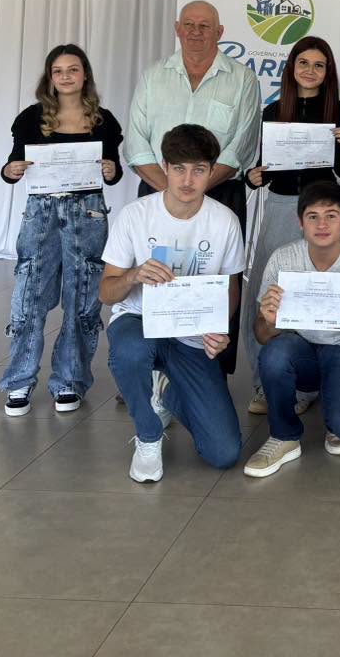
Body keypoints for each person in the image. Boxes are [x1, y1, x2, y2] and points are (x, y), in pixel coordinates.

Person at [100, 124, 245, 483]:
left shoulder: (225, 221)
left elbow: (230, 287)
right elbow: (106, 293)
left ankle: (165, 391)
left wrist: (218, 328)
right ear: (164, 167)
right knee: (130, 351)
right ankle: (148, 435)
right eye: (179, 168)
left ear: (212, 171)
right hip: (139, 319)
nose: (187, 180)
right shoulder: (135, 215)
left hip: (191, 331)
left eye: (198, 169)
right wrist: (134, 276)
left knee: (224, 453)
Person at [125, 0, 262, 375]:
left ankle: (210, 368)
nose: (196, 32)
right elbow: (136, 144)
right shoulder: (154, 76)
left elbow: (239, 148)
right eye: (189, 24)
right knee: (156, 277)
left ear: (220, 32)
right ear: (177, 28)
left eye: (205, 25)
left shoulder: (243, 80)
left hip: (221, 192)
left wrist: (192, 188)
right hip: (157, 192)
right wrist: (172, 190)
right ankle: (150, 368)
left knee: (219, 281)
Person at [0, 44, 124, 416]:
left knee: (83, 297)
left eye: (73, 69)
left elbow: (113, 171)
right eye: (58, 71)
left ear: (85, 75)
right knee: (29, 294)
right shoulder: (30, 118)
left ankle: (70, 380)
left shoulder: (103, 120)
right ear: (49, 77)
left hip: (87, 213)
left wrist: (111, 171)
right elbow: (12, 165)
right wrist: (10, 171)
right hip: (41, 212)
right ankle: (19, 381)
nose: (66, 76)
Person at [242, 36, 340, 416]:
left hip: (325, 210)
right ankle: (265, 381)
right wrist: (252, 177)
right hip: (282, 206)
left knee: (328, 293)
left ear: (328, 72)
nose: (310, 70)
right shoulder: (274, 111)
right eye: (303, 63)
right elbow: (266, 169)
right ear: (291, 68)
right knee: (267, 293)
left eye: (319, 65)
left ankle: (315, 382)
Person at [244, 181, 340, 477]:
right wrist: (268, 321)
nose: (322, 225)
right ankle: (284, 436)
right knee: (275, 354)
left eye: (331, 216)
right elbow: (261, 335)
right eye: (313, 216)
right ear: (300, 222)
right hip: (300, 349)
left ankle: (339, 409)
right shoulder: (283, 259)